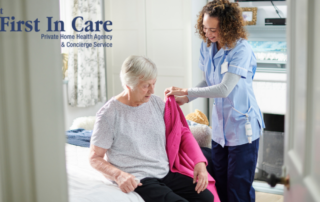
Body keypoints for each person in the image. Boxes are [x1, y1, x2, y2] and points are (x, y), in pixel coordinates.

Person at [164, 1, 265, 202]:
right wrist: (187, 97)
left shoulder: (241, 50)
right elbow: (209, 81)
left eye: (213, 29)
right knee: (220, 185)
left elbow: (224, 88)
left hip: (242, 131)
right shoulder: (207, 46)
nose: (208, 34)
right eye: (204, 28)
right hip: (220, 132)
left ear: (228, 27)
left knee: (238, 191)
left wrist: (186, 90)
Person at [89, 55, 214, 202]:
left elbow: (182, 133)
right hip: (139, 178)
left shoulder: (156, 103)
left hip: (164, 172)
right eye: (146, 85)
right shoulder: (108, 114)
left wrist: (199, 163)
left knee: (206, 198)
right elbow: (94, 158)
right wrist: (118, 175)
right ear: (129, 85)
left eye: (154, 84)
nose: (152, 90)